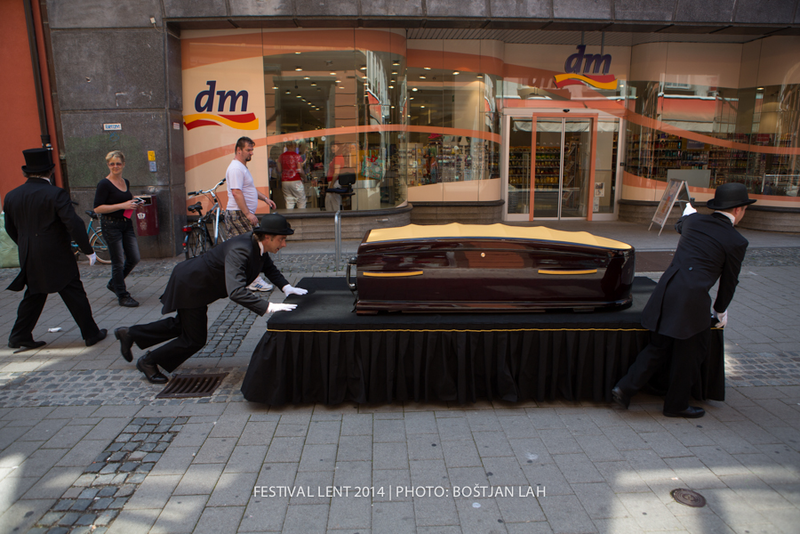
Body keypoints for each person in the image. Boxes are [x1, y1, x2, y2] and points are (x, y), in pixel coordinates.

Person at [612, 183, 756, 418]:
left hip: (666, 290)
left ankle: (624, 387)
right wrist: (720, 310)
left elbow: (680, 224)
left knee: (658, 346)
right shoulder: (736, 241)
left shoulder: (694, 222)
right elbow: (729, 281)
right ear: (738, 209)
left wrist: (688, 214)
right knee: (690, 355)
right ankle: (676, 405)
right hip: (692, 300)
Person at [114, 213, 307, 384]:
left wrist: (287, 287)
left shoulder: (257, 246)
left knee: (181, 326)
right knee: (194, 339)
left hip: (195, 283)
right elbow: (236, 291)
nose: (284, 244)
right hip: (191, 285)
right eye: (281, 239)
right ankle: (148, 361)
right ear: (267, 237)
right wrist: (269, 307)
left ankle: (130, 334)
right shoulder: (241, 250)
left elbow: (268, 267)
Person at [4, 148, 107, 350]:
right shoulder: (55, 193)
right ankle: (91, 333)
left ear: (26, 172)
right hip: (55, 253)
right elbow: (73, 223)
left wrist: (26, 244)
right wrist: (88, 250)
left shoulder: (12, 195)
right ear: (50, 171)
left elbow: (10, 228)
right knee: (73, 290)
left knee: (35, 293)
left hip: (29, 253)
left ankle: (19, 335)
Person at [224, 136, 277, 292]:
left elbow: (250, 189)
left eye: (252, 150)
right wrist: (247, 214)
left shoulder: (241, 167)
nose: (251, 153)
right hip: (239, 213)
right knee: (252, 246)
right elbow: (236, 192)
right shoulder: (236, 168)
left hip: (241, 213)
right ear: (239, 150)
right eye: (248, 150)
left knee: (244, 247)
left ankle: (244, 278)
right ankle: (253, 279)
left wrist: (265, 198)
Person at [93, 150, 141, 307]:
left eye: (118, 163)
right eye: (112, 164)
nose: (115, 166)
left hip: (126, 223)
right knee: (118, 261)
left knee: (134, 257)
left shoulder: (125, 182)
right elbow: (97, 208)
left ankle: (114, 283)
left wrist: (135, 202)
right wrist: (123, 205)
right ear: (108, 165)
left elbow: (125, 199)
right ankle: (122, 295)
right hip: (110, 225)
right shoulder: (104, 184)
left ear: (123, 164)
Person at [279, 141, 306, 209]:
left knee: (289, 201)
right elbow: (300, 170)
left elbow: (279, 169)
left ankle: (289, 215)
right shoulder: (297, 156)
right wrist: (305, 178)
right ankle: (301, 214)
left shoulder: (281, 156)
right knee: (301, 200)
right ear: (294, 146)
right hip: (296, 180)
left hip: (285, 181)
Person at [325, 143, 347, 213]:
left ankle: (336, 217)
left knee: (334, 203)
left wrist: (331, 185)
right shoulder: (337, 157)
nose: (332, 148)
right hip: (333, 182)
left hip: (334, 182)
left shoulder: (338, 158)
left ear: (338, 147)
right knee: (331, 202)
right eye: (331, 146)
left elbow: (336, 172)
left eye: (334, 146)